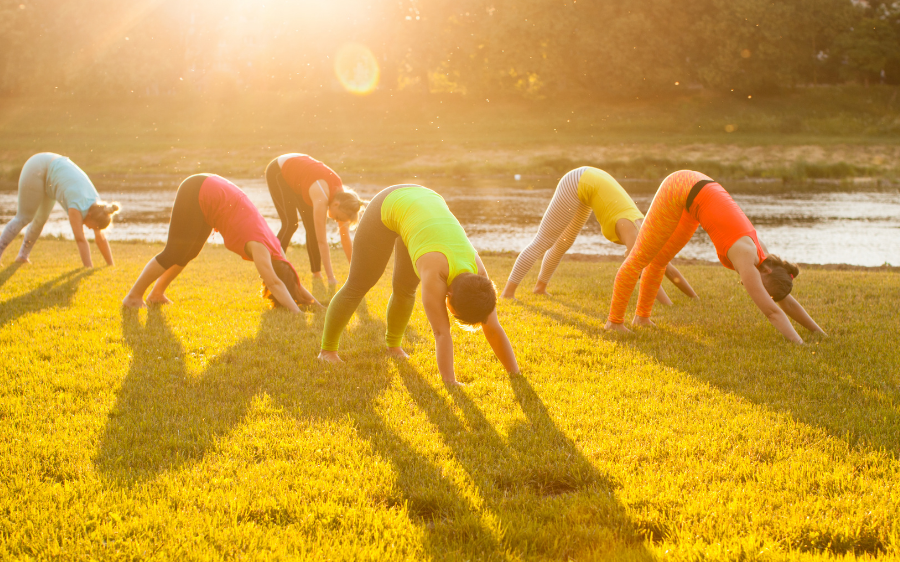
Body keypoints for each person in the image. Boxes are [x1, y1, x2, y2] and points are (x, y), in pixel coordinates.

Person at [318, 184, 519, 384]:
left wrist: (515, 373)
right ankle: (326, 351)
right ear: (449, 301)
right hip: (388, 204)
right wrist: (450, 381)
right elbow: (441, 332)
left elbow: (492, 327)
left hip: (424, 204)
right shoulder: (435, 271)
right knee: (358, 284)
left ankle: (394, 347)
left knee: (405, 289)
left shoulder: (480, 277)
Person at [605, 170, 826, 344]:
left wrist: (818, 332)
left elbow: (783, 301)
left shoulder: (765, 257)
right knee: (639, 258)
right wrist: (799, 344)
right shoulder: (747, 257)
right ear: (767, 271)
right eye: (765, 288)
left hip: (697, 196)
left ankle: (641, 319)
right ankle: (613, 323)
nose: (760, 291)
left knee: (660, 260)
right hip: (680, 186)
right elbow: (772, 312)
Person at [122, 174, 319, 313]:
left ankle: (157, 294)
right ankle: (133, 297)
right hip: (199, 189)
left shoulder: (277, 251)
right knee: (174, 251)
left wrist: (317, 306)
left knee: (188, 252)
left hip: (213, 193)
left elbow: (290, 281)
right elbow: (275, 283)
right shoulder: (261, 248)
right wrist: (297, 314)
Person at [501, 167, 696, 302]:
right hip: (576, 181)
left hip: (590, 186)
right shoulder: (635, 233)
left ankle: (539, 288)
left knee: (563, 243)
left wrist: (693, 298)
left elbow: (666, 268)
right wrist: (667, 304)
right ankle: (507, 294)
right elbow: (644, 275)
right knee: (544, 241)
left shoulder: (650, 233)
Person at [0, 152, 119, 268]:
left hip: (51, 176)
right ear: (89, 215)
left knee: (40, 220)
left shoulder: (98, 208)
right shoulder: (76, 207)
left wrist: (110, 265)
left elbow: (100, 238)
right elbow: (80, 239)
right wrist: (88, 269)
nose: (91, 229)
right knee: (24, 217)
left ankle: (22, 257)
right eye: (93, 227)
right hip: (38, 167)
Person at [265, 154, 362, 286]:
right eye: (338, 218)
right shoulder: (321, 196)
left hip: (302, 177)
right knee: (290, 223)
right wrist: (331, 278)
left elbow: (345, 238)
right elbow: (321, 241)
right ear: (336, 205)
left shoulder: (343, 199)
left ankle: (316, 273)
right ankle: (271, 269)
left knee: (311, 227)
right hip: (279, 170)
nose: (336, 221)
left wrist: (355, 274)